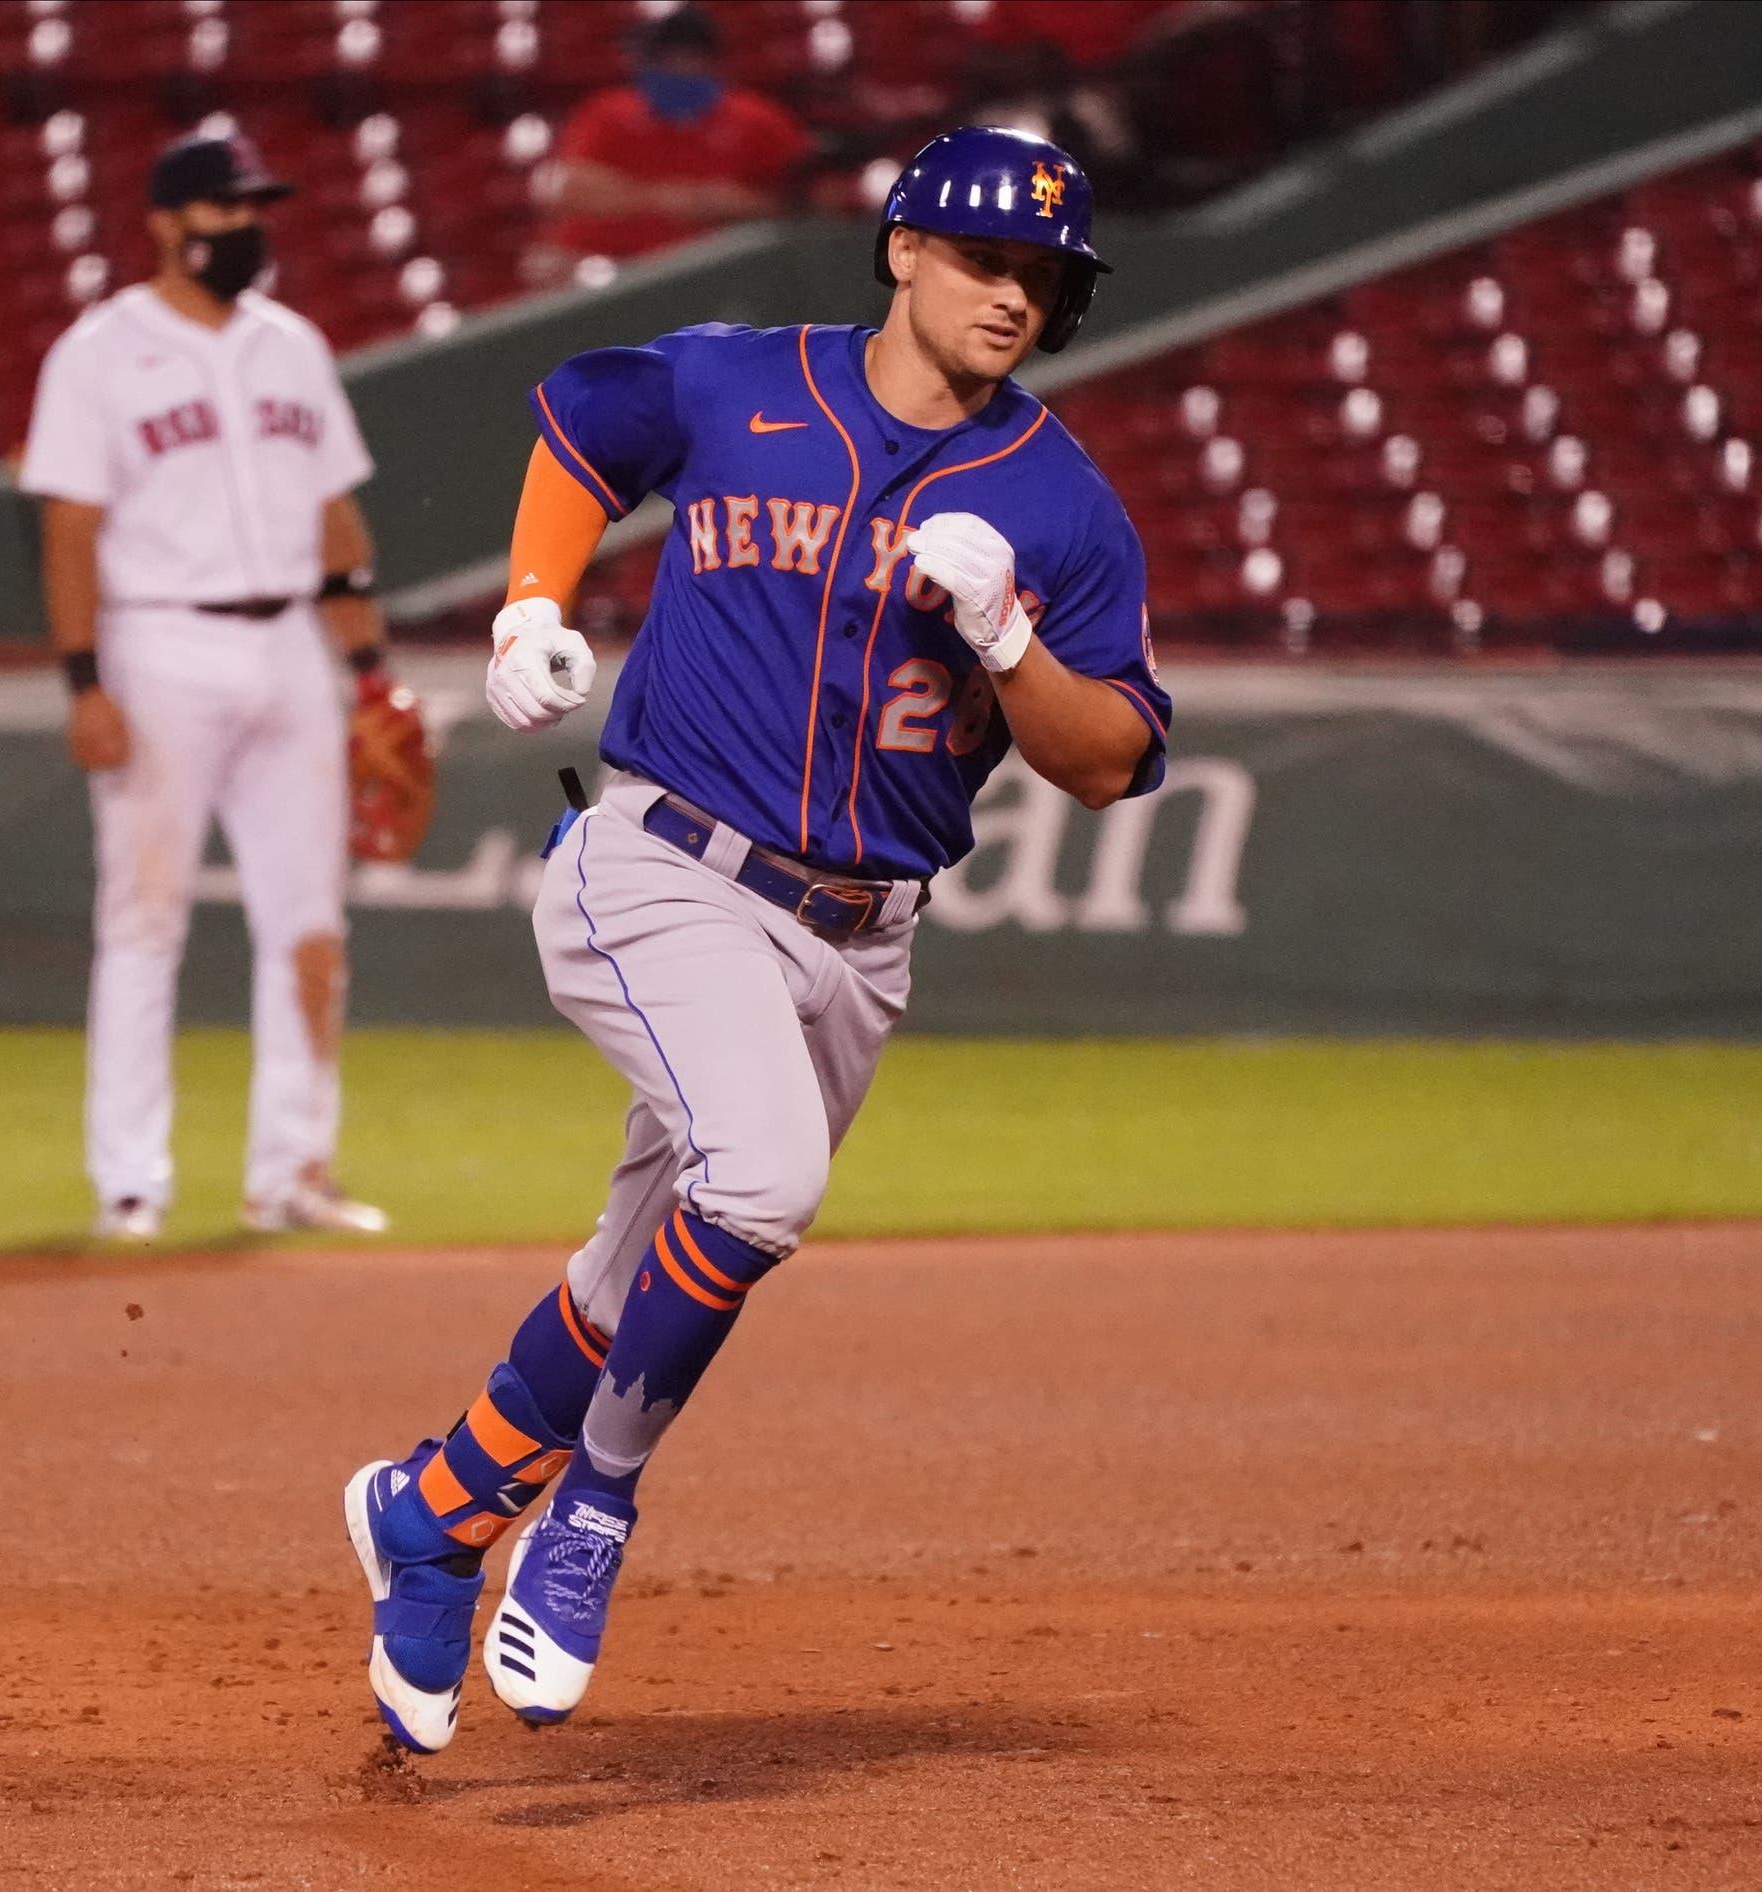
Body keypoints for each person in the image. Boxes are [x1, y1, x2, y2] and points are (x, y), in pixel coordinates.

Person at [342, 126, 1170, 1752]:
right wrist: (528, 603)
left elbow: (1112, 759)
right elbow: (583, 426)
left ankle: (432, 1514)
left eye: (1044, 280)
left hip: (862, 939)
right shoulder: (741, 382)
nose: (1015, 297)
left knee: (633, 1270)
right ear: (903, 253)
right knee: (766, 1180)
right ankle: (591, 1517)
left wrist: (1005, 633)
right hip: (659, 866)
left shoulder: (1060, 506)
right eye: (987, 261)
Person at [19, 129, 405, 1242]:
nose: (246, 229)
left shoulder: (292, 345)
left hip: (290, 643)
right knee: (144, 919)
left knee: (312, 924)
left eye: (255, 209)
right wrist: (84, 681)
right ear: (167, 223)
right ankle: (131, 1180)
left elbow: (335, 514)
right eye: (226, 211)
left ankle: (293, 1169)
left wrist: (369, 667)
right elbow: (69, 530)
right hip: (159, 647)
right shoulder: (98, 353)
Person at [527, 3, 812, 287]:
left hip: (717, 274)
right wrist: (671, 197)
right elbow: (572, 188)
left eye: (684, 57)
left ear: (709, 60)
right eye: (661, 59)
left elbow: (807, 201)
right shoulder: (608, 113)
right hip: (614, 273)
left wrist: (732, 205)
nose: (673, 69)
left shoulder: (755, 119)